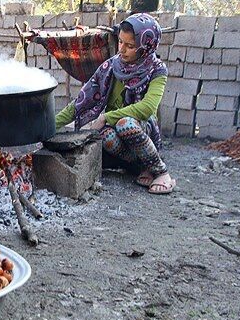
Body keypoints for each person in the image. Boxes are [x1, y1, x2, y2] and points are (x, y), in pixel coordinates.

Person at [54, 13, 176, 194]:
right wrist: (50, 125)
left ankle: (160, 172)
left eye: (130, 46)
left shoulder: (157, 69)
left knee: (124, 123)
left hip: (141, 128)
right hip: (117, 134)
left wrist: (106, 116)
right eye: (120, 42)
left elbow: (147, 108)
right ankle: (138, 166)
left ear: (146, 46)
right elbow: (81, 101)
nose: (122, 50)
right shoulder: (111, 66)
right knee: (104, 134)